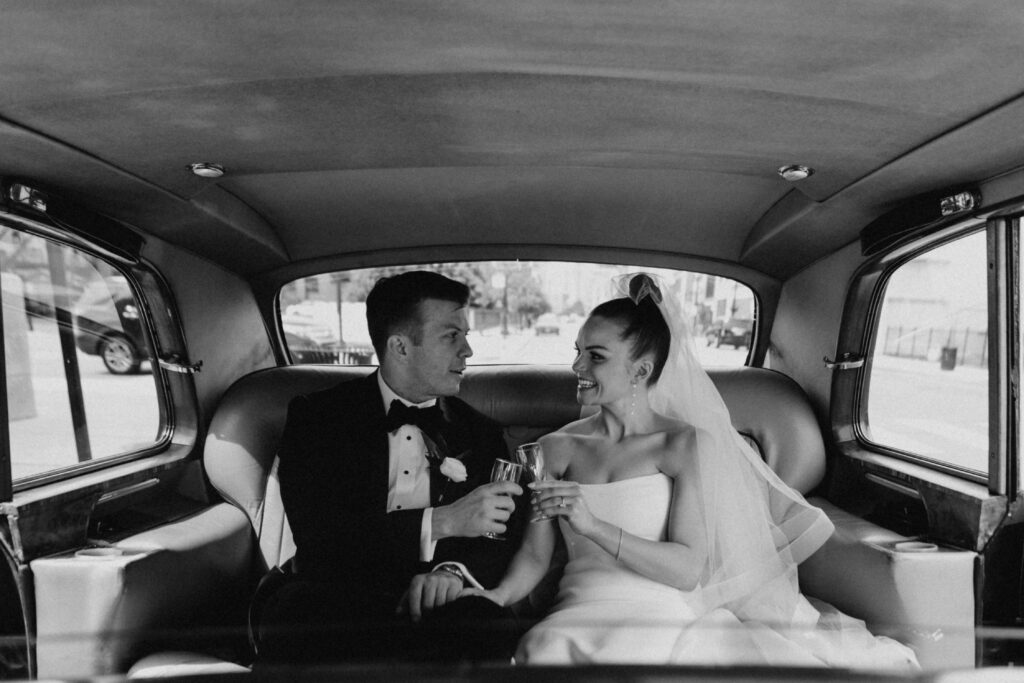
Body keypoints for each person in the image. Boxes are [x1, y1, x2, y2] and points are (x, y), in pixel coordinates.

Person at [462, 273, 919, 669]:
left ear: (640, 369)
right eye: (578, 351)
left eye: (595, 356)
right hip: (573, 616)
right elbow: (536, 557)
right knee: (539, 653)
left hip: (663, 618)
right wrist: (496, 597)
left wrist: (593, 525)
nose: (577, 366)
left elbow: (687, 570)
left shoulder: (683, 445)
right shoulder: (554, 448)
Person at [258, 270, 526, 664]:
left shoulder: (480, 433)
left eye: (465, 336)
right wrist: (441, 522)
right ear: (400, 347)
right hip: (335, 596)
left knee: (488, 624)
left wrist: (451, 572)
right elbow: (319, 536)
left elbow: (500, 535)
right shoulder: (318, 418)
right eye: (452, 336)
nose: (467, 351)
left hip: (436, 604)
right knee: (301, 616)